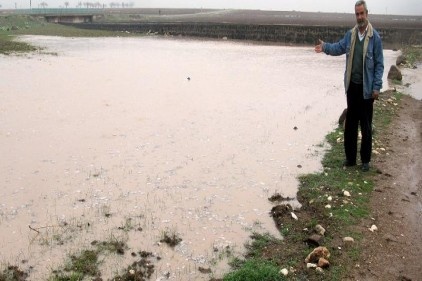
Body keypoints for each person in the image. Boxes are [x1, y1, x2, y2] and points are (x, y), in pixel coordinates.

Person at [314, 0, 384, 172]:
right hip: (352, 87)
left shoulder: (375, 38)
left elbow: (379, 65)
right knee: (351, 124)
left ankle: (365, 161)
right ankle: (351, 159)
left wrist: (377, 87)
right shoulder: (350, 35)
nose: (360, 17)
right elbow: (338, 47)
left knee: (366, 125)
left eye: (362, 13)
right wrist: (324, 47)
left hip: (367, 89)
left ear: (367, 13)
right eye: (357, 14)